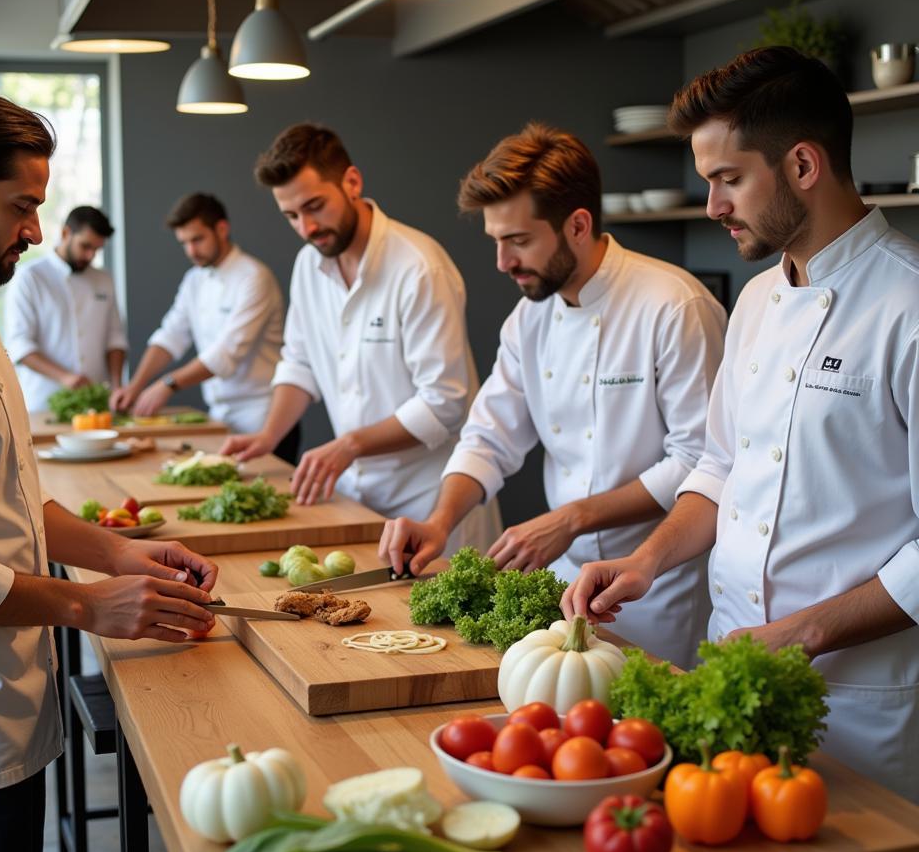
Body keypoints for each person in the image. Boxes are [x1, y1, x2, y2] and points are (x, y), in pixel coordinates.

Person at [562, 46, 919, 802]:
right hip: (731, 675)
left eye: (728, 179)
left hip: (860, 708)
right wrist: (646, 561)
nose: (714, 205)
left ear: (801, 166)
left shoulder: (909, 305)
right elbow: (719, 469)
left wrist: (801, 634)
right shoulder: (756, 301)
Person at [0, 92, 219, 852]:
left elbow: (8, 493)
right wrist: (86, 602)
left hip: (2, 703)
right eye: (23, 207)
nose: (36, 232)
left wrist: (118, 554)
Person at [380, 122, 726, 669]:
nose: (502, 262)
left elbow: (698, 462)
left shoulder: (674, 306)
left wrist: (571, 518)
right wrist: (440, 522)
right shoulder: (529, 318)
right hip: (566, 582)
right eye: (496, 240)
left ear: (578, 225)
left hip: (659, 586)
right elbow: (489, 437)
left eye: (518, 240)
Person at [222, 123, 500, 550]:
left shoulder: (419, 267)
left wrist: (350, 444)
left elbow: (445, 402)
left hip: (433, 501)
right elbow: (299, 362)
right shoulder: (307, 266)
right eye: (292, 215)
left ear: (352, 182)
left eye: (315, 206)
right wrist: (268, 436)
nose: (306, 228)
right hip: (356, 498)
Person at [110, 193, 295, 460]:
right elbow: (170, 336)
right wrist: (135, 386)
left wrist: (168, 384)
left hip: (265, 418)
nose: (191, 251)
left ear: (222, 229)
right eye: (184, 242)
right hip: (218, 418)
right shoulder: (194, 279)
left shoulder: (254, 278)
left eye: (197, 239)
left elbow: (227, 353)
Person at [4, 204, 128, 411]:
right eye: (85, 246)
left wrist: (117, 386)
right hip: (43, 403)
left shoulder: (104, 279)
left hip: (97, 404)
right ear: (65, 233)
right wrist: (65, 377)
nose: (90, 256)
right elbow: (19, 344)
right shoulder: (30, 277)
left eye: (96, 250)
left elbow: (115, 338)